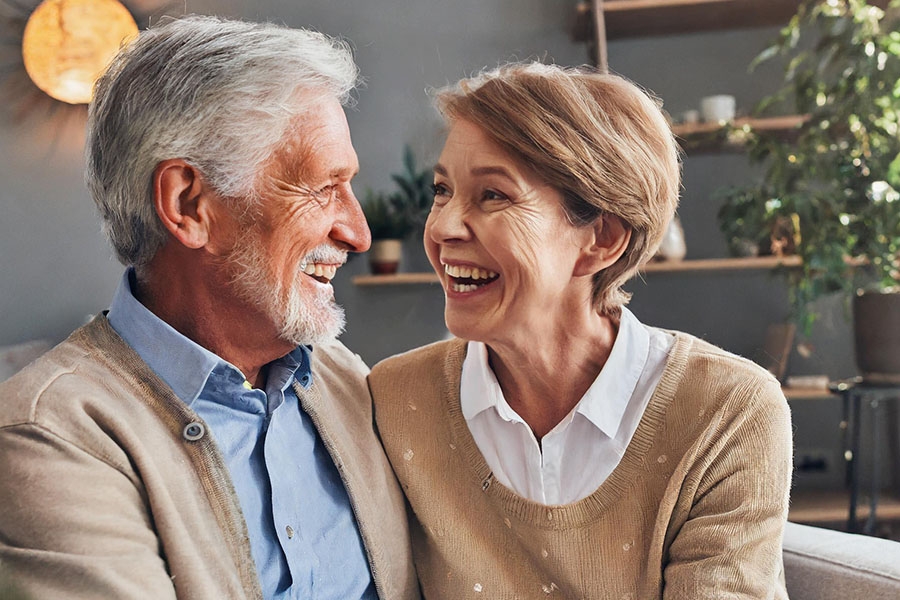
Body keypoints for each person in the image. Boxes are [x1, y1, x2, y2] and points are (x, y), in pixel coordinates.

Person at [0, 15, 418, 600]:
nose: (358, 233)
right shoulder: (49, 434)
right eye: (324, 188)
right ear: (190, 204)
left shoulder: (346, 380)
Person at [369, 63, 792, 599]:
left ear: (602, 238)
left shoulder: (727, 411)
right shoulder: (395, 399)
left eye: (493, 195)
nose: (444, 227)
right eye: (442, 190)